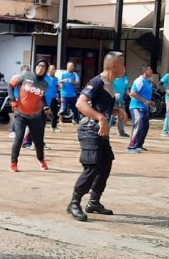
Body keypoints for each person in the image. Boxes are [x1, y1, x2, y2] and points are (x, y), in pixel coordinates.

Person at [66, 51, 128, 222]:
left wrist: (116, 110)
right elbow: (80, 103)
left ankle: (94, 202)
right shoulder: (97, 82)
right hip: (89, 130)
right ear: (114, 66)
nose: (125, 68)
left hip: (101, 132)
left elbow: (99, 106)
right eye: (123, 64)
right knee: (92, 166)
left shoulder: (110, 84)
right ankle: (74, 203)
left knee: (106, 163)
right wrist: (101, 118)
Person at [8, 60, 49, 172]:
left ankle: (41, 159)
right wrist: (12, 100)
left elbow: (41, 97)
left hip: (35, 116)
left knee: (38, 140)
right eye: (39, 65)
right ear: (35, 66)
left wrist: (45, 106)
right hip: (20, 114)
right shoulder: (26, 76)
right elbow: (10, 85)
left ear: (45, 70)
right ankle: (14, 162)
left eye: (43, 67)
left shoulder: (45, 84)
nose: (40, 68)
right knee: (19, 137)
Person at [126, 64, 155, 153]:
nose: (151, 71)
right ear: (145, 71)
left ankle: (138, 145)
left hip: (144, 108)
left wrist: (150, 102)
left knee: (145, 126)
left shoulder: (147, 82)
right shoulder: (139, 80)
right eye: (149, 69)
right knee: (139, 124)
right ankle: (131, 146)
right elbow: (133, 93)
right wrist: (144, 101)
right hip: (136, 106)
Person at [110, 70, 129, 137]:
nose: (123, 72)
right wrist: (114, 95)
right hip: (113, 100)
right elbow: (110, 88)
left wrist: (130, 94)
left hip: (121, 100)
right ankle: (107, 129)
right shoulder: (113, 78)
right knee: (111, 116)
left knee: (122, 115)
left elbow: (126, 89)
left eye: (124, 71)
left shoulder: (125, 79)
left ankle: (121, 132)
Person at [45, 64, 61, 132]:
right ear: (49, 70)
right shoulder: (45, 77)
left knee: (55, 112)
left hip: (54, 97)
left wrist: (59, 96)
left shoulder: (56, 79)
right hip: (46, 97)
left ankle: (53, 127)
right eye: (52, 69)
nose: (54, 70)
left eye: (54, 69)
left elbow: (57, 88)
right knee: (43, 112)